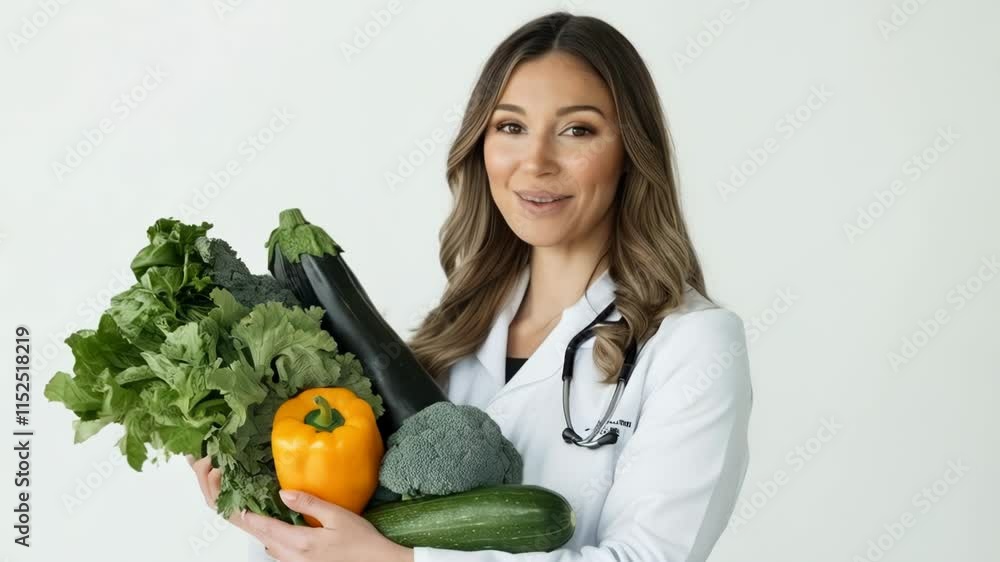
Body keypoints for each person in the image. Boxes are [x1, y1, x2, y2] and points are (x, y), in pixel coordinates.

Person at [192, 11, 752, 562]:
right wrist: (273, 512)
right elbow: (350, 532)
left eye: (577, 130)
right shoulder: (447, 340)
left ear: (631, 151)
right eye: (511, 127)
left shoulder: (692, 344)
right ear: (481, 146)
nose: (535, 162)